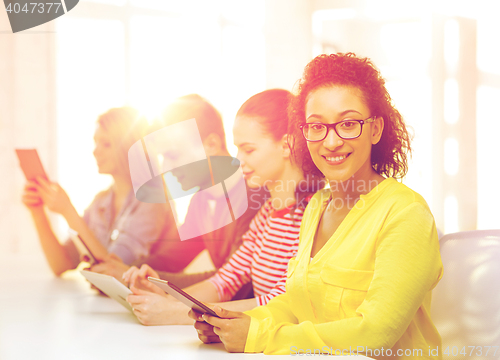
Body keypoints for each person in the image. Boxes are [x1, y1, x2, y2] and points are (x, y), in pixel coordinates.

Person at [194, 53, 444, 359]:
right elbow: (299, 305)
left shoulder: (405, 213)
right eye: (316, 126)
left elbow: (376, 333)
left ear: (376, 129)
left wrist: (259, 335)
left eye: (349, 123)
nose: (331, 141)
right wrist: (237, 323)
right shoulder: (317, 207)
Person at [123, 89, 323, 326]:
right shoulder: (267, 215)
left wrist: (174, 312)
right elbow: (224, 281)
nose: (239, 159)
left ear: (286, 145)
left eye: (249, 150)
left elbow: (283, 301)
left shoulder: (314, 215)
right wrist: (168, 298)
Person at [91, 94, 268, 289]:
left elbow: (235, 280)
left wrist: (135, 276)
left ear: (211, 145)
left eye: (173, 155)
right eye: (163, 158)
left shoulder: (255, 198)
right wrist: (125, 269)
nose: (166, 168)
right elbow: (171, 258)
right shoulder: (201, 201)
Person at [21, 107, 174, 276]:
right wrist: (37, 212)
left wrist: (67, 210)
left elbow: (115, 270)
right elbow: (61, 263)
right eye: (96, 142)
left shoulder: (153, 200)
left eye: (106, 144)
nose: (95, 151)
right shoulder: (101, 201)